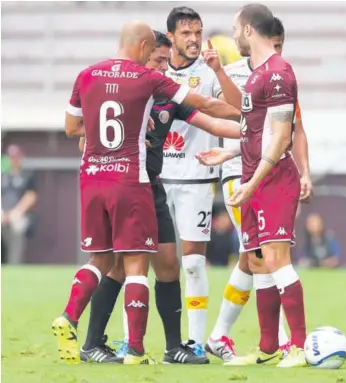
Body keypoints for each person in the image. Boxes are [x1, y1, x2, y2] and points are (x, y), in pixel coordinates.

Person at [52, 20, 239, 366]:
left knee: (168, 264)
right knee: (120, 267)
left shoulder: (162, 92)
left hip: (150, 186)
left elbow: (211, 119)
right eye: (157, 61)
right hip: (131, 185)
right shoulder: (138, 86)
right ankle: (104, 343)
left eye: (166, 63)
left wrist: (248, 128)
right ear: (143, 54)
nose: (162, 68)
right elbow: (81, 135)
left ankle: (172, 348)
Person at [197, 4, 308, 368]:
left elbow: (278, 140)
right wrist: (227, 157)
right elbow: (250, 126)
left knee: (277, 260)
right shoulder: (259, 75)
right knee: (259, 264)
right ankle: (267, 348)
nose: (231, 34)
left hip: (273, 180)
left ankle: (299, 346)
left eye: (234, 28)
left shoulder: (278, 74)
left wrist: (253, 181)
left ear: (248, 30)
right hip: (253, 179)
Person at [161, 6, 236, 357]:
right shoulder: (155, 70)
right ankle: (135, 341)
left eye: (197, 32)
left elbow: (236, 110)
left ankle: (194, 342)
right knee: (145, 262)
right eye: (186, 33)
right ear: (172, 37)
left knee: (192, 262)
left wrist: (219, 71)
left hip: (196, 177)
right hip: (156, 177)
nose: (193, 39)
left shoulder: (207, 73)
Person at [1, 145, 37, 264]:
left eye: (16, 157)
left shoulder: (27, 175)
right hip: (3, 214)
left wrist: (15, 212)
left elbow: (31, 197)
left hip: (19, 214)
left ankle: (14, 265)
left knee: (17, 232)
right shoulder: (3, 175)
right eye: (12, 157)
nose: (14, 160)